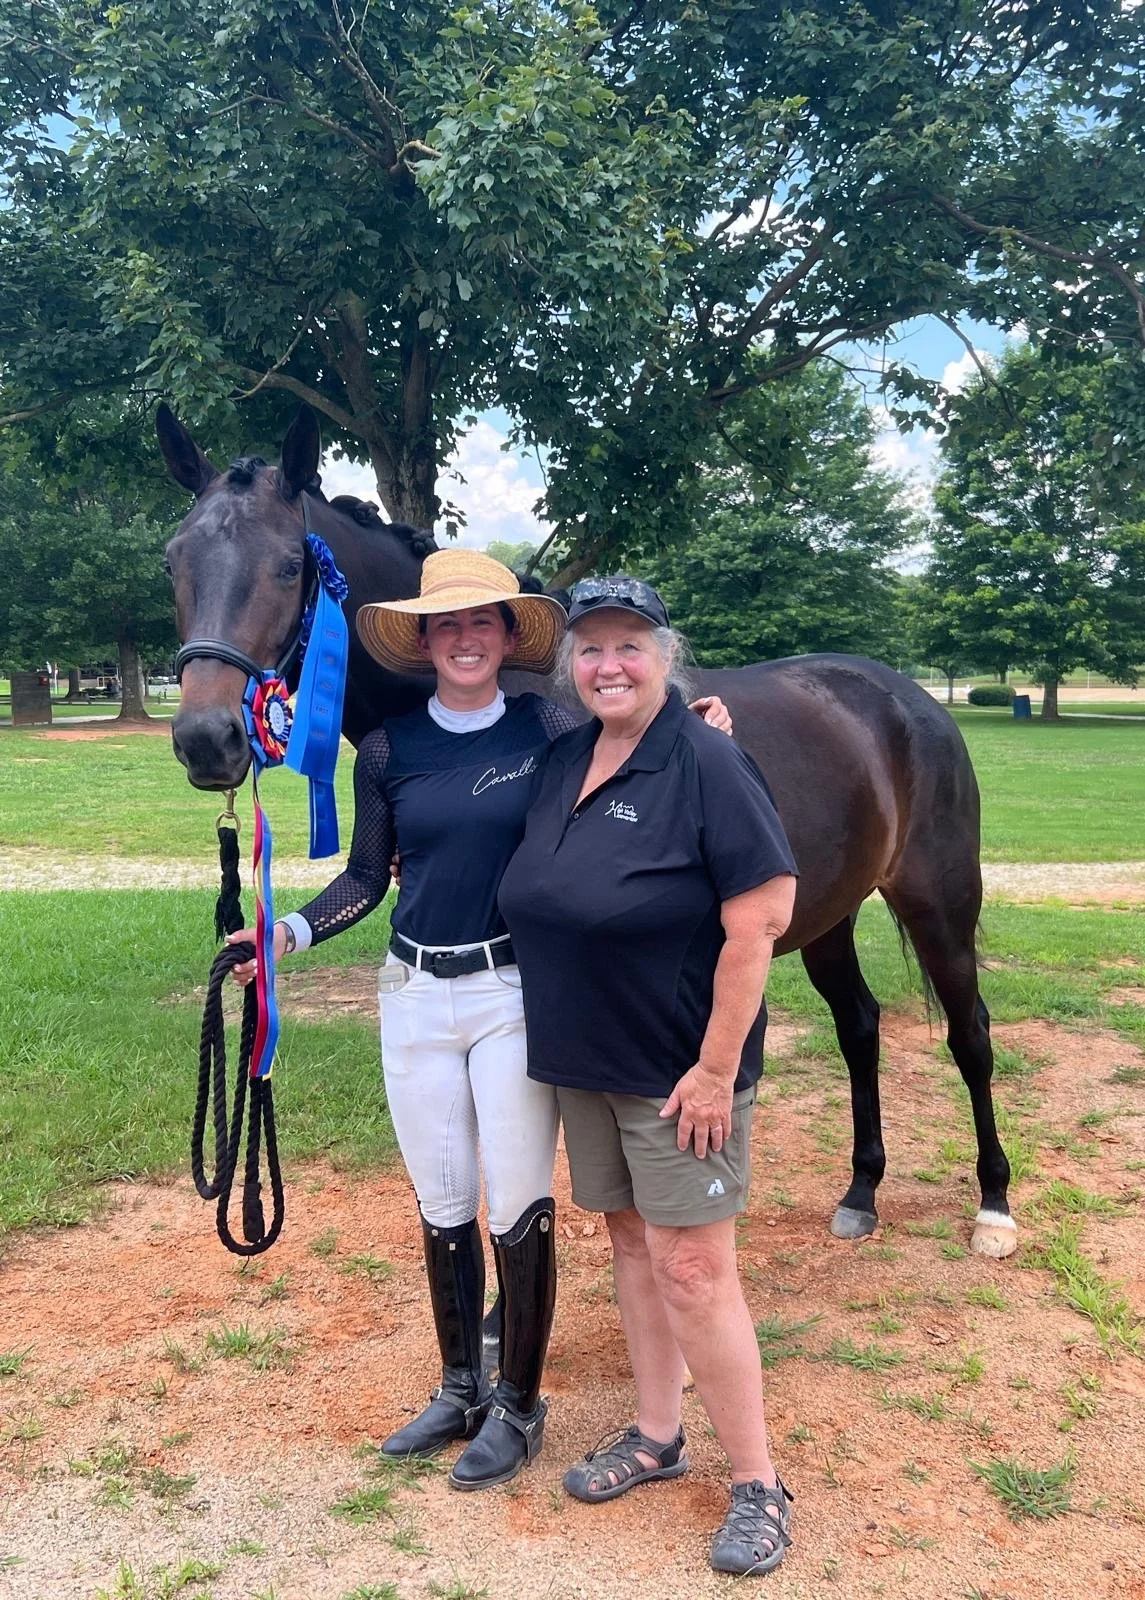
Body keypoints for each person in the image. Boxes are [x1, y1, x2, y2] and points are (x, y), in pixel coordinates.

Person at [228, 550, 730, 1493]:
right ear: (424, 642)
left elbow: (637, 738)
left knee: (517, 1198)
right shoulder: (387, 750)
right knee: (441, 1196)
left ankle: (520, 1402)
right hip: (414, 996)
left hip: (510, 995)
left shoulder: (548, 730)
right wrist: (282, 933)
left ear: (508, 638)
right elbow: (364, 879)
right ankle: (461, 1384)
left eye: (482, 623)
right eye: (445, 625)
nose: (463, 639)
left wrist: (695, 723)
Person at [498, 576, 799, 1575]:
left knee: (693, 1268)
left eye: (629, 646)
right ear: (570, 665)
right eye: (590, 649)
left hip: (680, 1072)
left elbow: (758, 918)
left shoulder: (707, 759)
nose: (608, 665)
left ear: (664, 655)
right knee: (629, 1241)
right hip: (586, 1059)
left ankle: (756, 1480)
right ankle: (657, 1435)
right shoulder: (565, 754)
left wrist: (716, 1069)